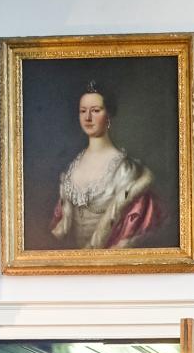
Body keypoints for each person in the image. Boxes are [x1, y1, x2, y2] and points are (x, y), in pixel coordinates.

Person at [50, 80, 161, 250]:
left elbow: (134, 231)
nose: (87, 117)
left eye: (95, 111)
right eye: (83, 111)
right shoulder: (71, 169)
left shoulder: (126, 171)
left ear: (108, 115)